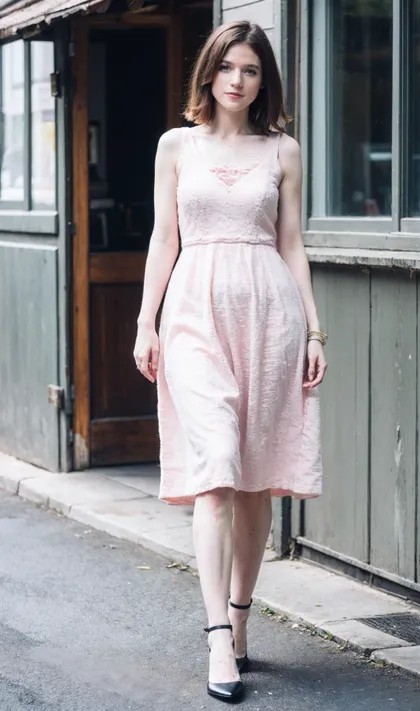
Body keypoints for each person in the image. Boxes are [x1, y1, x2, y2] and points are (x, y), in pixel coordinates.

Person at [133, 20, 327, 703]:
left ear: (262, 79)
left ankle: (242, 618)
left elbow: (293, 243)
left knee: (252, 482)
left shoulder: (283, 150)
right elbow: (164, 237)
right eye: (228, 67)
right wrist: (145, 320)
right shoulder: (175, 146)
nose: (238, 80)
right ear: (208, 74)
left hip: (269, 314)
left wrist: (313, 331)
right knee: (214, 470)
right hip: (193, 313)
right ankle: (218, 634)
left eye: (251, 70)